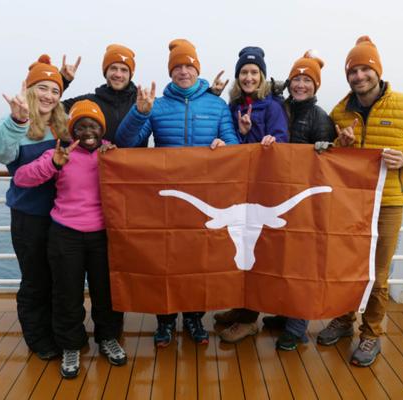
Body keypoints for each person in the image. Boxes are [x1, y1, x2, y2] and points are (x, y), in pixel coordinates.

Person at [115, 38, 239, 347]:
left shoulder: (216, 104)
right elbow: (127, 144)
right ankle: (165, 320)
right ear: (171, 72)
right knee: (165, 259)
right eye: (178, 67)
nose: (184, 71)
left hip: (204, 197)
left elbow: (234, 144)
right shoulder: (156, 104)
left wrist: (225, 145)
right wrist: (140, 113)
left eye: (189, 66)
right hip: (166, 196)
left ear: (197, 68)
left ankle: (195, 319)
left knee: (199, 261)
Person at [316, 36, 403, 366]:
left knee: (378, 273)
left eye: (365, 69)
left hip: (388, 203)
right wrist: (336, 144)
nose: (359, 76)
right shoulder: (339, 111)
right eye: (353, 71)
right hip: (350, 203)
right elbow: (334, 157)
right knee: (347, 267)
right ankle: (344, 321)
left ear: (377, 71)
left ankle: (371, 334)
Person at [14, 100, 126, 379]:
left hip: (103, 235)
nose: (88, 131)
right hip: (65, 234)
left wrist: (113, 157)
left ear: (102, 130)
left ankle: (107, 338)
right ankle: (71, 345)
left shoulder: (110, 152)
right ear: (72, 130)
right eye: (81, 126)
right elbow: (21, 178)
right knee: (66, 294)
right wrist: (53, 163)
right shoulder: (61, 152)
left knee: (106, 292)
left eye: (94, 126)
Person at [0, 55, 69, 360]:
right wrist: (17, 121)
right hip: (29, 217)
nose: (48, 95)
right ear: (30, 89)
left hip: (62, 216)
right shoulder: (15, 121)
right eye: (42, 88)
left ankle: (60, 333)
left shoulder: (63, 124)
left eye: (55, 90)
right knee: (35, 279)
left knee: (59, 279)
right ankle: (39, 339)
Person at [261, 50, 336, 351]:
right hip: (279, 194)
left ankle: (297, 326)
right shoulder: (280, 107)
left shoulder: (320, 117)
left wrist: (327, 146)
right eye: (296, 79)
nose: (301, 85)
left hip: (304, 201)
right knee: (281, 258)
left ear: (316, 86)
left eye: (307, 80)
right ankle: (284, 312)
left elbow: (331, 162)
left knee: (302, 263)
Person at [214, 46, 288, 343]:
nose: (248, 77)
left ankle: (250, 319)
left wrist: (271, 140)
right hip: (238, 190)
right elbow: (234, 144)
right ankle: (240, 307)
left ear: (262, 76)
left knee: (258, 253)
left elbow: (282, 139)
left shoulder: (272, 107)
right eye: (243, 72)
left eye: (253, 72)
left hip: (263, 190)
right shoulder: (233, 107)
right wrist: (242, 132)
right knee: (240, 250)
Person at [61, 44, 146, 146]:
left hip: (135, 161)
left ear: (130, 74)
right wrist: (63, 81)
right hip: (97, 161)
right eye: (113, 68)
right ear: (105, 72)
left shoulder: (144, 103)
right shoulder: (88, 102)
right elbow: (50, 108)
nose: (118, 74)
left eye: (124, 70)